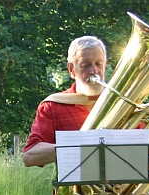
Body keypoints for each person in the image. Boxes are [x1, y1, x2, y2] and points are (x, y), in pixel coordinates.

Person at [22, 36, 108, 167]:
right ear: (71, 70)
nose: (94, 71)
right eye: (85, 65)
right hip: (75, 187)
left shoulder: (122, 103)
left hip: (123, 187)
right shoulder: (54, 105)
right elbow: (30, 156)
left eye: (98, 64)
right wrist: (76, 148)